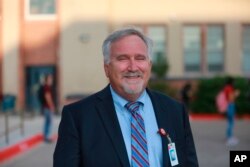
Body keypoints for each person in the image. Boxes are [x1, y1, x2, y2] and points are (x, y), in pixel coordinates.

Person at [53, 27, 199, 167]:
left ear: (149, 65)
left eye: (140, 58)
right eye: (123, 59)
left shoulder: (175, 111)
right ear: (107, 68)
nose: (133, 67)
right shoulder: (78, 117)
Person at [223, 77, 240, 146]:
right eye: (234, 82)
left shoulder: (226, 87)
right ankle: (230, 138)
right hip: (231, 105)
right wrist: (236, 94)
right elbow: (231, 98)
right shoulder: (229, 88)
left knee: (229, 122)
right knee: (231, 122)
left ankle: (229, 137)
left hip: (228, 105)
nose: (235, 83)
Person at [42, 74, 55, 143]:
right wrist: (51, 105)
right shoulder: (47, 87)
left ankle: (45, 136)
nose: (51, 80)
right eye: (50, 79)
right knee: (49, 122)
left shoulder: (45, 87)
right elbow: (47, 96)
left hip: (45, 107)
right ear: (47, 79)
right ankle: (48, 137)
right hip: (48, 107)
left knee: (47, 122)